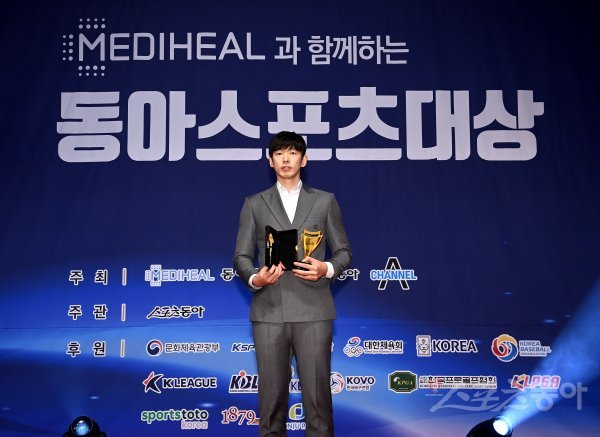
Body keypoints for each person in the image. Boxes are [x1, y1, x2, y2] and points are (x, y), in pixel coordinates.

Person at [233, 131, 352, 437]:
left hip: (314, 310)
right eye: (279, 154)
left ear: (304, 159)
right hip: (269, 310)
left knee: (318, 400)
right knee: (271, 402)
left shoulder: (324, 201)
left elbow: (343, 252)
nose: (286, 159)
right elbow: (241, 257)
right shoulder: (254, 203)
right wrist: (255, 277)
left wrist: (325, 268)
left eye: (293, 153)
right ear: (270, 161)